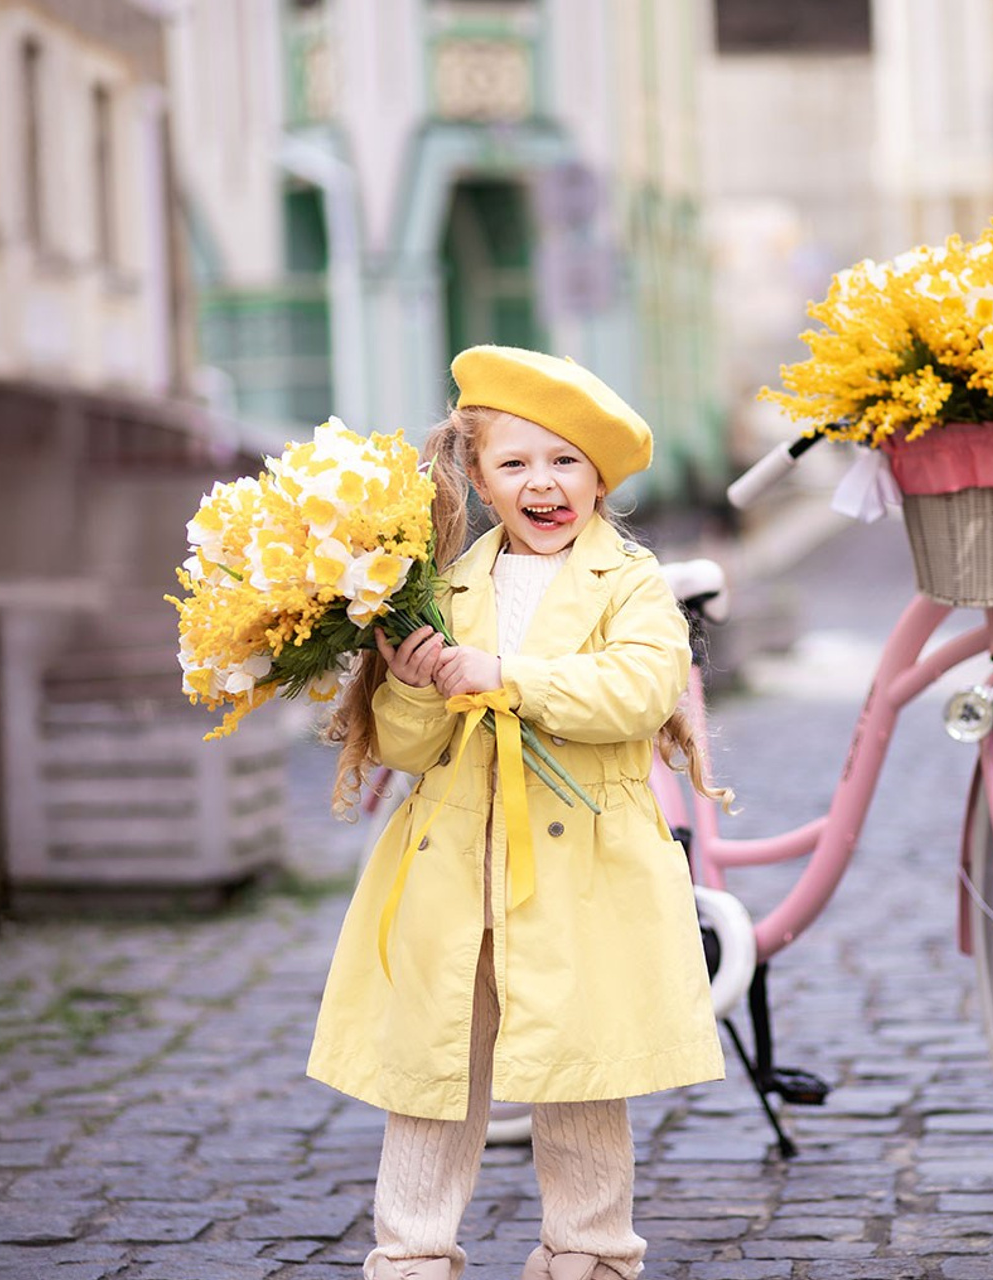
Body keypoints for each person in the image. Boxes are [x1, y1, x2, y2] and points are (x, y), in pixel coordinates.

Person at [308, 345, 729, 1280]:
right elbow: (409, 747)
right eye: (515, 464)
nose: (543, 483)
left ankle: (589, 1251)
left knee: (580, 1071)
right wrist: (417, 687)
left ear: (598, 476)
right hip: (454, 864)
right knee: (432, 1070)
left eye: (566, 461)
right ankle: (412, 1251)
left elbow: (638, 688)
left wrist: (507, 679)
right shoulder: (447, 590)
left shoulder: (631, 582)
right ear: (480, 480)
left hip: (582, 868)